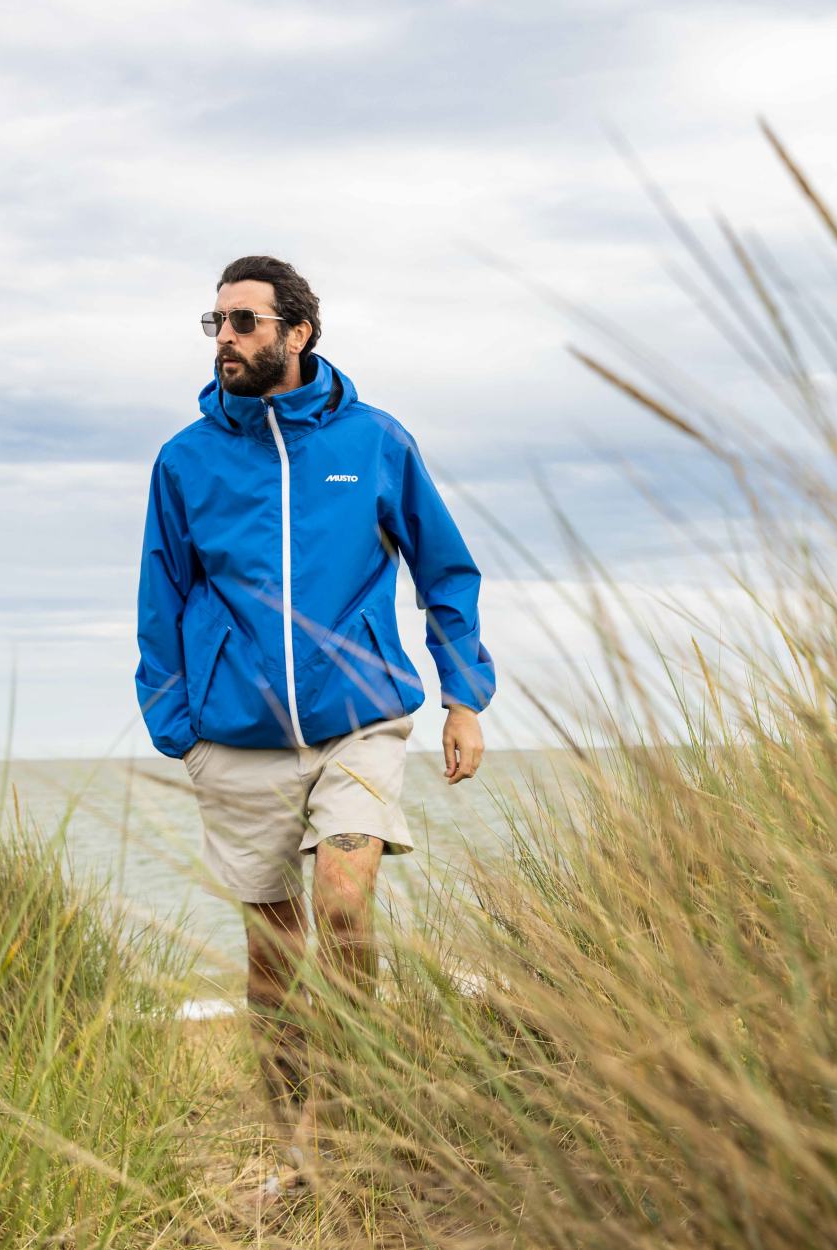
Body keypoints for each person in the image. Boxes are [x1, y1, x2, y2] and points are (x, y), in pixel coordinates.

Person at [134, 255, 495, 1202]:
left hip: (360, 723)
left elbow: (444, 571)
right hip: (235, 738)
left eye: (246, 323)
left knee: (341, 903)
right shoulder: (186, 459)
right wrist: (179, 724)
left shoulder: (374, 441)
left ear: (298, 333)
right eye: (215, 323)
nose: (227, 341)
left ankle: (353, 1112)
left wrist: (463, 698)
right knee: (274, 954)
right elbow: (161, 596)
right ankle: (294, 1143)